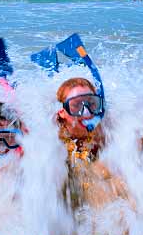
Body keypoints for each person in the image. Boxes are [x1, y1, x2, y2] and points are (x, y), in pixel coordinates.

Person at [56, 77, 130, 212]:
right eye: (76, 105)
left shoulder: (106, 130)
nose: (87, 112)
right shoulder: (51, 138)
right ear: (61, 111)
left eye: (91, 103)